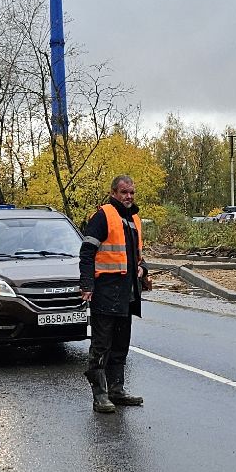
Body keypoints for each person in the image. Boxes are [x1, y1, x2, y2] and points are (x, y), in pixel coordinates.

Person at [79, 175, 152, 414]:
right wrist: (87, 285)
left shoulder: (133, 220)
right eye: (124, 192)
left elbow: (135, 258)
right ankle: (100, 395)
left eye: (131, 192)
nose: (128, 196)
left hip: (126, 295)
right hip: (105, 293)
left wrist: (144, 272)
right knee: (101, 346)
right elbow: (87, 253)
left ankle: (116, 391)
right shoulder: (103, 216)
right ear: (113, 193)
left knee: (121, 346)